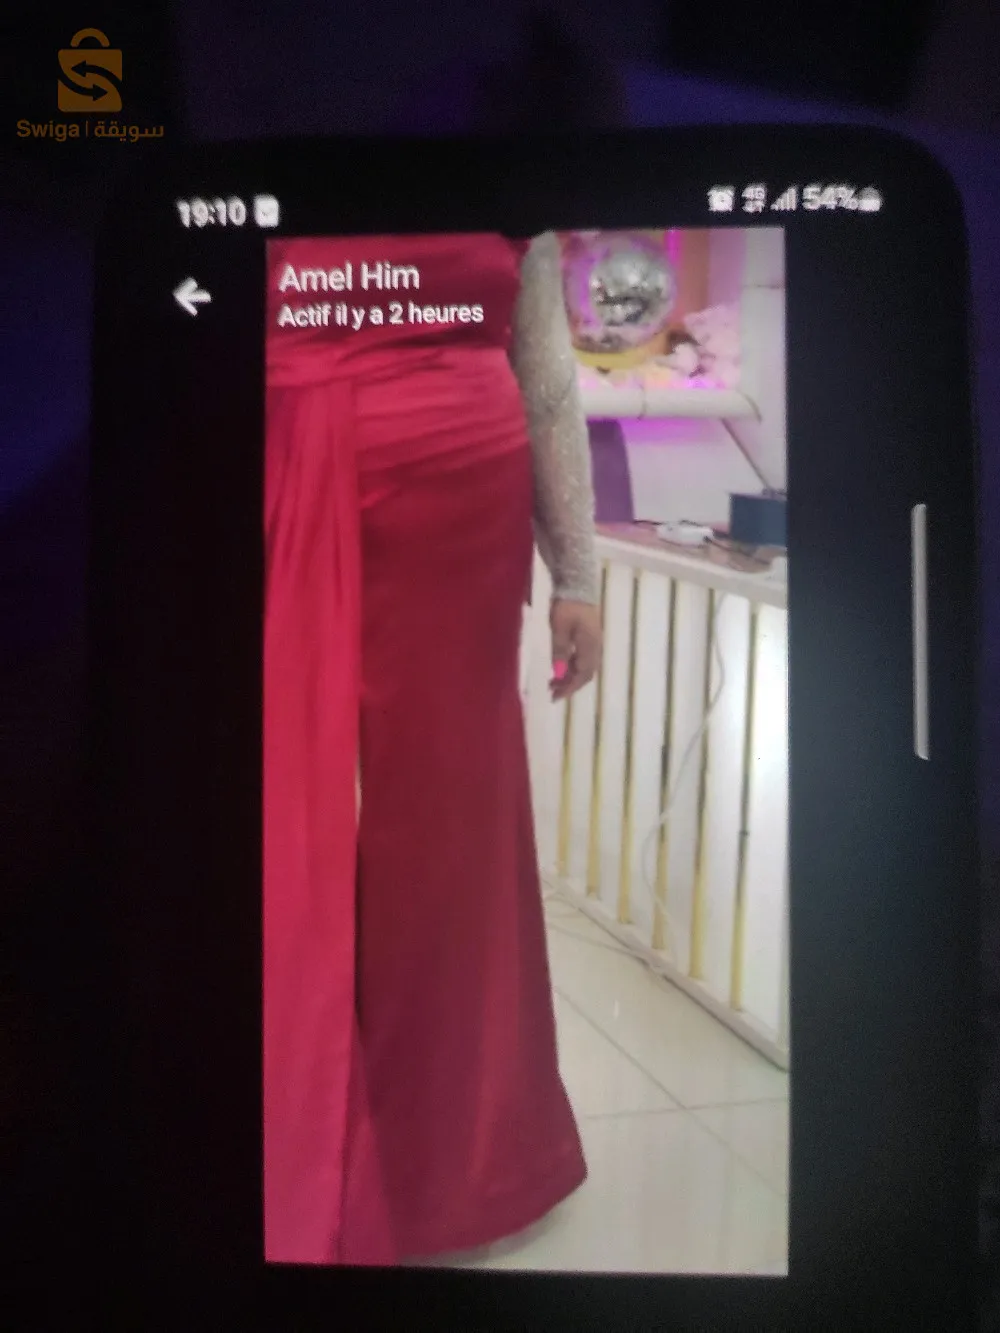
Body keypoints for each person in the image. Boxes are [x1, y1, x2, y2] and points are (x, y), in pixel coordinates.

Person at [263, 228, 603, 1265]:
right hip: (278, 448)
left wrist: (577, 572)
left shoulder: (506, 160)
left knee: (449, 825)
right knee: (277, 808)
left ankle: (453, 1159)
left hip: (462, 476)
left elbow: (543, 370)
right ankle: (278, 1118)